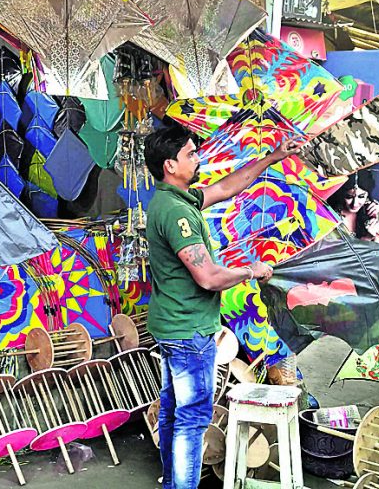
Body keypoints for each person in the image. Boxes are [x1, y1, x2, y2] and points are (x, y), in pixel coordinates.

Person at [143, 124, 300, 489]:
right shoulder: (175, 214)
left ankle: (172, 483)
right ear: (170, 164)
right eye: (191, 154)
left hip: (175, 326)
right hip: (188, 331)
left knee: (172, 411)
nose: (198, 158)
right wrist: (251, 269)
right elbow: (209, 278)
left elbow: (228, 186)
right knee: (193, 417)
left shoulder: (179, 199)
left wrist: (274, 156)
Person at [327, 170, 379, 241]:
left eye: (361, 196)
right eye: (349, 197)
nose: (355, 204)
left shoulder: (372, 211)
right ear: (342, 194)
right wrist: (367, 238)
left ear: (368, 194)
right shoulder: (329, 214)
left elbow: (378, 249)